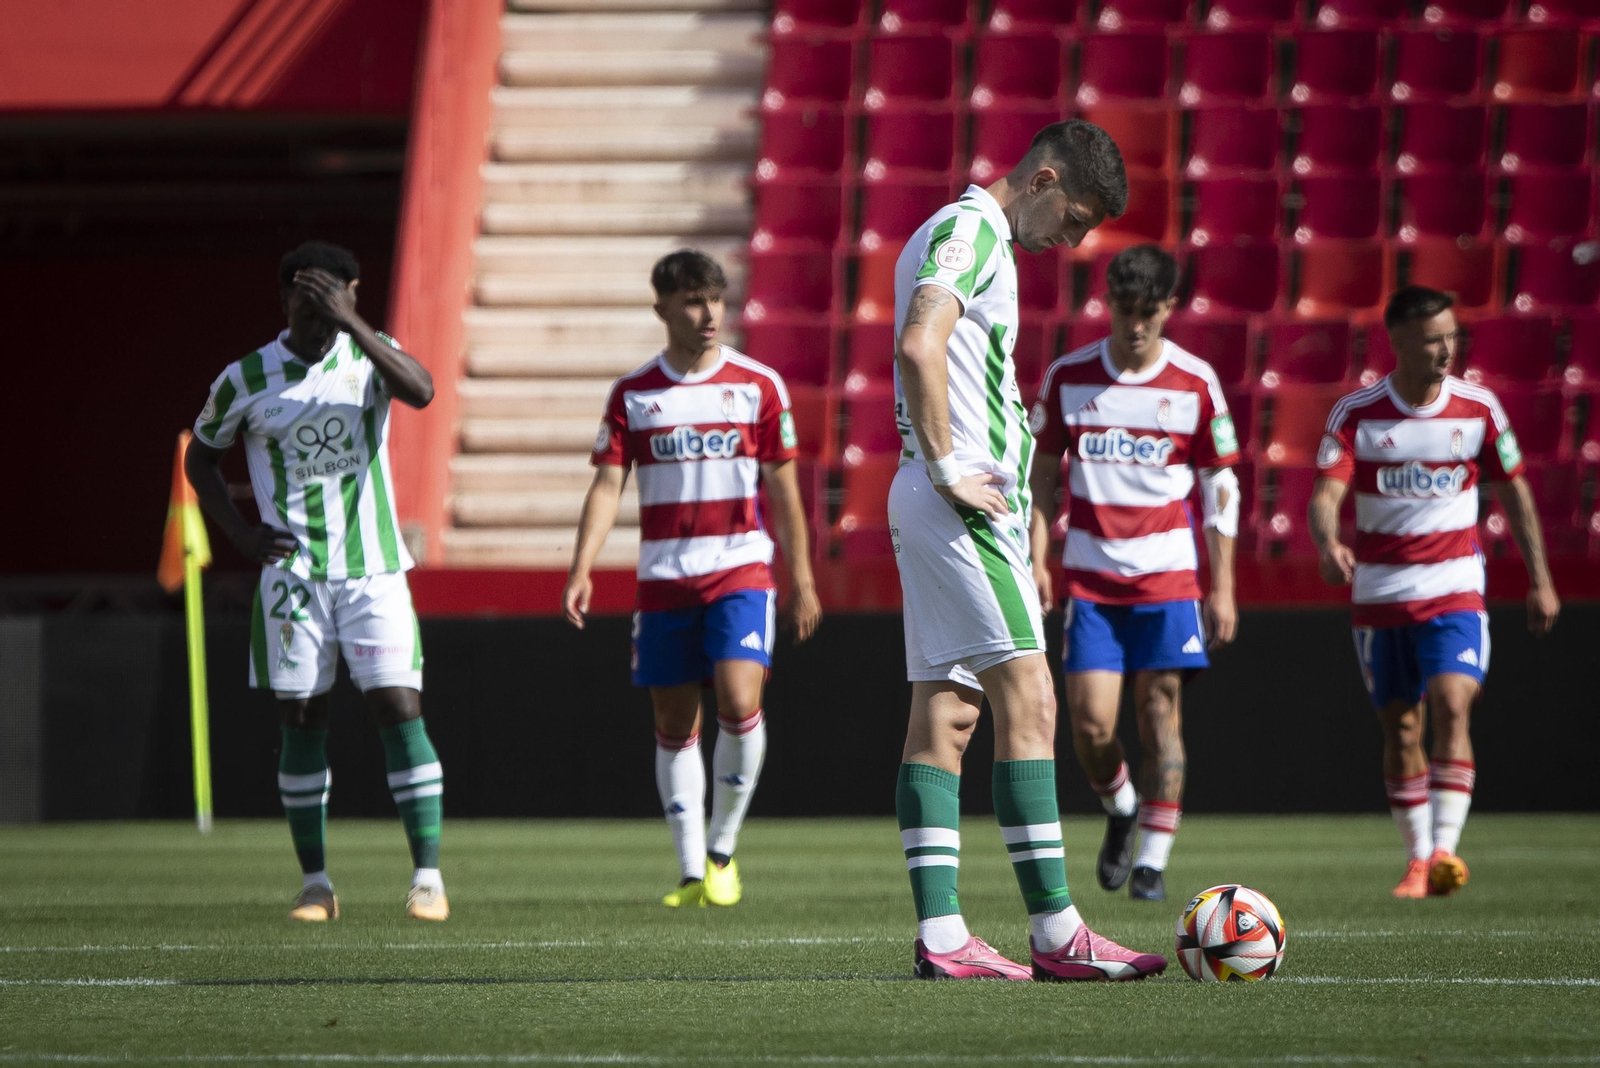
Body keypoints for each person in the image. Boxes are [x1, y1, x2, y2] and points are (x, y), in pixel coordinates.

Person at [888, 120, 1167, 981]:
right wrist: (949, 467)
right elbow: (918, 342)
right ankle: (1057, 933)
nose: (1072, 242)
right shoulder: (972, 229)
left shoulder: (958, 234)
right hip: (959, 502)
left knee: (947, 714)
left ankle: (944, 938)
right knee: (1033, 698)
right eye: (1074, 219)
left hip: (935, 496)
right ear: (1044, 179)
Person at [186, 240, 447, 922]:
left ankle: (427, 878)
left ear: (352, 298)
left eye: (333, 302)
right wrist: (241, 534)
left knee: (399, 706)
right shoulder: (245, 378)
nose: (320, 317)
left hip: (374, 569)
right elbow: (200, 459)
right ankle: (316, 885)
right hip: (292, 577)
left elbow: (422, 391)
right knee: (302, 717)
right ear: (284, 300)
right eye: (309, 302)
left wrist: (352, 322)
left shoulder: (370, 356)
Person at [562, 249, 821, 908]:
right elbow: (607, 485)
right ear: (663, 309)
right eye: (693, 301)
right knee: (674, 721)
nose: (709, 314)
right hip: (664, 579)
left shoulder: (758, 385)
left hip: (740, 568)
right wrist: (582, 567)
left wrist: (803, 577)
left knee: (738, 699)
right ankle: (688, 871)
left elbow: (785, 490)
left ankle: (722, 852)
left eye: (716, 299)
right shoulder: (634, 394)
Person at [1309, 285, 1560, 899]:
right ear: (1397, 341)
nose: (1446, 349)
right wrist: (1327, 544)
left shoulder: (1479, 409)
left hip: (1455, 587)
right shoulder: (1357, 413)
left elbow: (1515, 492)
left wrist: (1541, 578)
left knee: (1452, 703)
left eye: (1451, 336)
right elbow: (1324, 496)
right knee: (1401, 729)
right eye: (1431, 339)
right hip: (1381, 594)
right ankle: (1418, 857)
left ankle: (1445, 850)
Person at [1028, 244, 1240, 905]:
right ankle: (1121, 807)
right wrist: (1036, 556)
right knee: (1091, 728)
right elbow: (1041, 476)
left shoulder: (1195, 383)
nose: (1136, 324)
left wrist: (1223, 587)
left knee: (1159, 712)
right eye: (1125, 310)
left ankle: (1152, 861)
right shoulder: (1070, 377)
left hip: (1169, 580)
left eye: (1149, 311)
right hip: (1092, 582)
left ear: (1169, 307)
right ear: (1108, 305)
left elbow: (1221, 487)